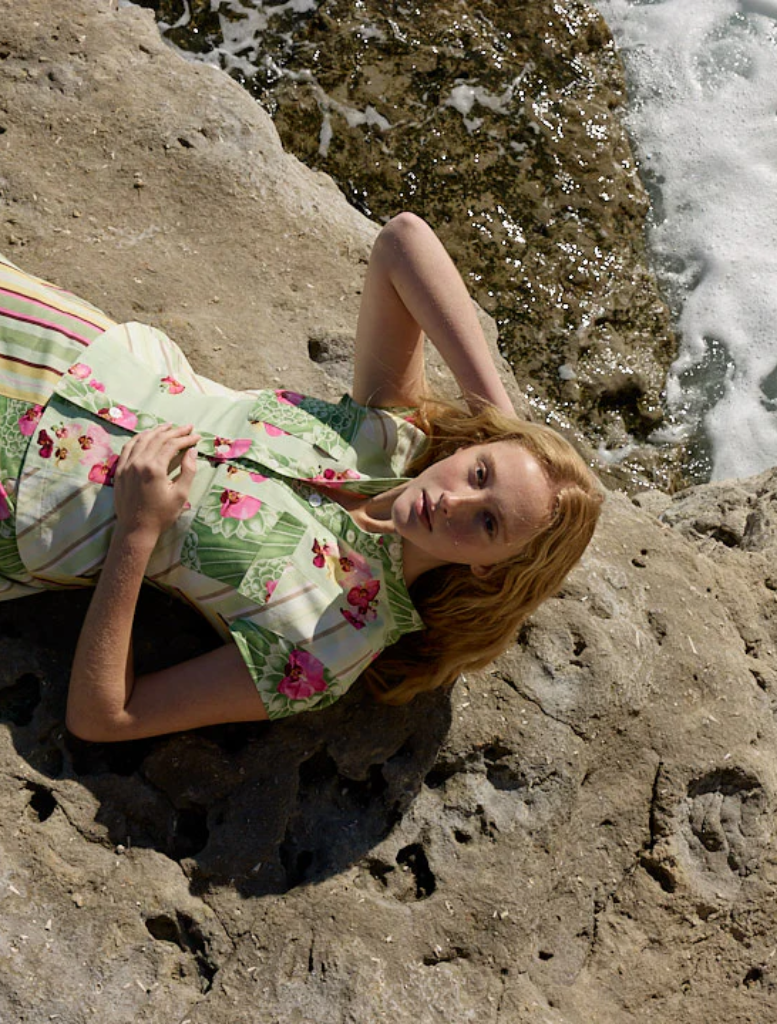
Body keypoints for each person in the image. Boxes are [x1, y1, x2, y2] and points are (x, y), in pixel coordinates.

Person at [0, 213, 602, 742]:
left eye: (488, 521)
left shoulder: (331, 643)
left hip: (26, 493)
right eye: (478, 472)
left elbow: (106, 717)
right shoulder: (387, 436)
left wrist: (137, 534)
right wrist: (506, 427)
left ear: (489, 568)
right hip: (54, 339)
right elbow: (403, 240)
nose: (454, 501)